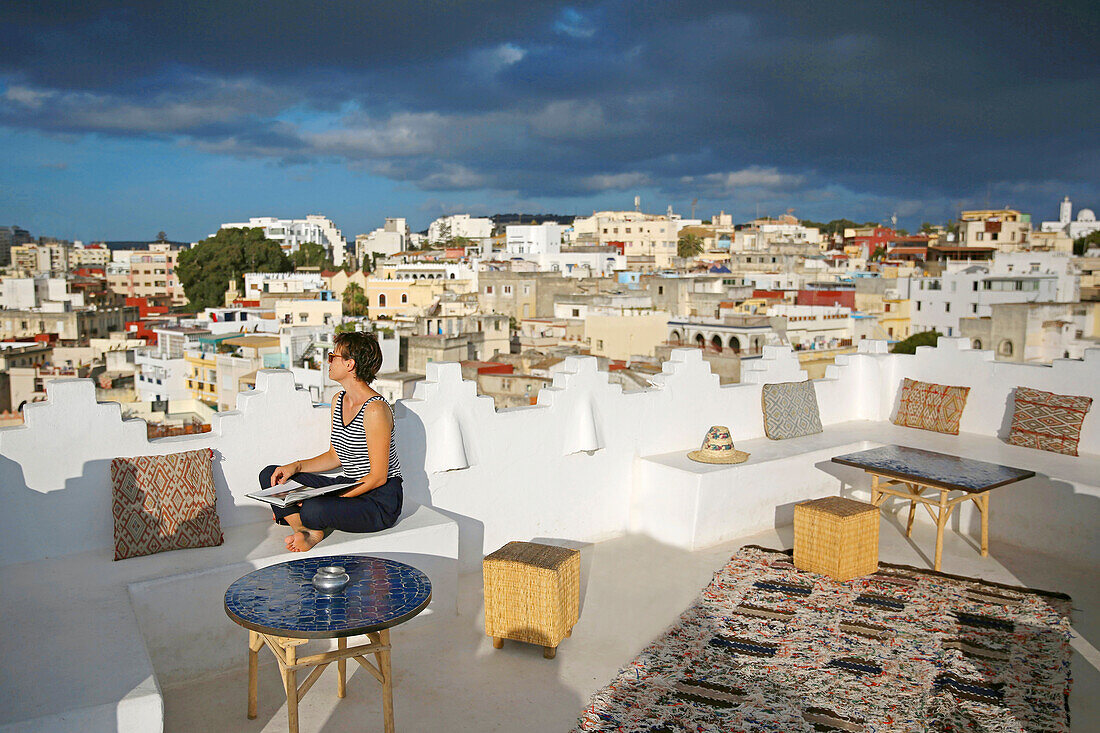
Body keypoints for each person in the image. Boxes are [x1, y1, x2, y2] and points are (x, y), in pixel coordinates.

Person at [258, 331, 403, 552]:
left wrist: (334, 496)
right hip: (348, 483)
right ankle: (304, 530)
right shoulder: (338, 400)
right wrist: (294, 466)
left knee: (314, 508)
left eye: (332, 356)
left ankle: (308, 523)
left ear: (349, 364)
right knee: (271, 475)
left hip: (378, 500)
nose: (328, 361)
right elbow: (335, 456)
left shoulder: (375, 409)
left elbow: (378, 477)